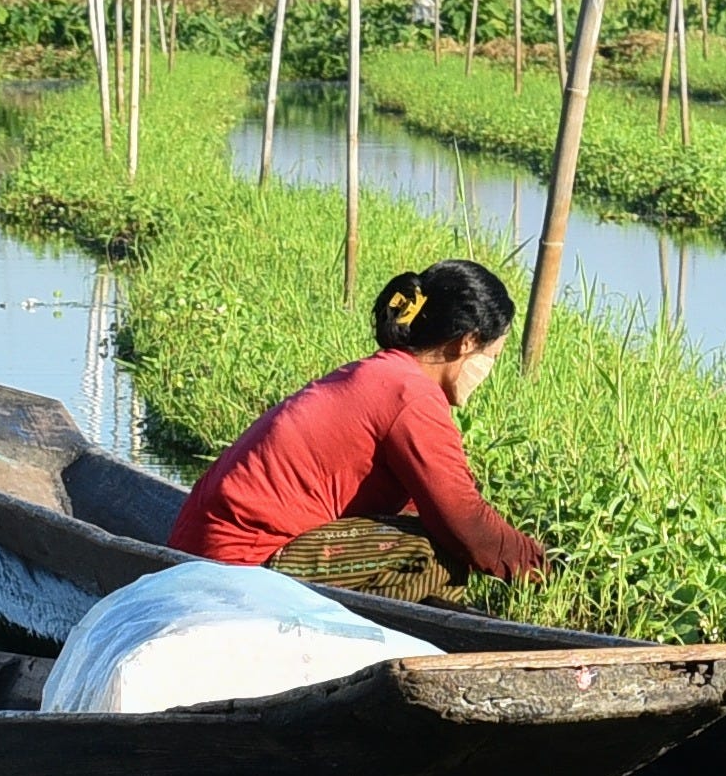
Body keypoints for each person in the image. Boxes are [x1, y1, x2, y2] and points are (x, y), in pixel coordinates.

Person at [163, 257, 554, 599]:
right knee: (435, 551)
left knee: (432, 528)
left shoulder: (383, 373)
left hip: (203, 548)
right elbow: (466, 526)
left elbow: (436, 500)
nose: (488, 371)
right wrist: (547, 569)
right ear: (465, 344)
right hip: (237, 565)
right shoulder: (410, 397)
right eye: (493, 357)